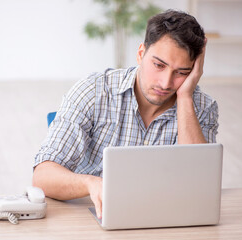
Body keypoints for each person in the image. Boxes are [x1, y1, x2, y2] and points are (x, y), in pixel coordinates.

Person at [32, 10, 218, 219]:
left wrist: (185, 97)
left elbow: (198, 185)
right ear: (141, 53)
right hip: (95, 217)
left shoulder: (202, 107)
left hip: (165, 218)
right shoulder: (94, 91)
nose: (166, 83)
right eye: (158, 65)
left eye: (181, 72)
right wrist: (92, 183)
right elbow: (43, 177)